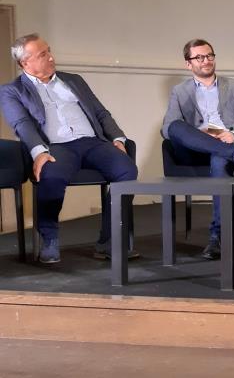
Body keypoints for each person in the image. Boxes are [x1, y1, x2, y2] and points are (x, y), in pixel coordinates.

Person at [0, 33, 138, 263]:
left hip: (92, 142)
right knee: (51, 175)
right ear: (26, 63)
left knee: (127, 170)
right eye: (43, 54)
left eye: (49, 50)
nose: (51, 57)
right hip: (56, 146)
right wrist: (39, 152)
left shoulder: (73, 80)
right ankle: (50, 238)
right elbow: (21, 124)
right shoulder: (13, 91)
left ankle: (108, 241)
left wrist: (117, 138)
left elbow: (101, 113)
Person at [162, 38, 234, 260]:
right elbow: (168, 128)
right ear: (188, 64)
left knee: (218, 157)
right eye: (199, 57)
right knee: (176, 126)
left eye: (209, 56)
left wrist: (233, 135)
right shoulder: (180, 91)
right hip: (194, 148)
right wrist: (199, 134)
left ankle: (217, 237)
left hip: (225, 141)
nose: (206, 61)